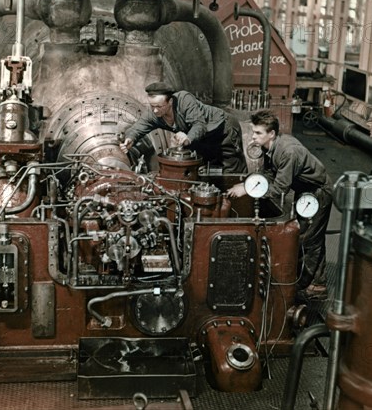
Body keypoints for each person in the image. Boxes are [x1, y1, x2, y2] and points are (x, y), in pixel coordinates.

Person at [227, 110, 332, 300]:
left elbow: (279, 189)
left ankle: (313, 286)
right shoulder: (270, 147)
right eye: (253, 132)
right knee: (310, 235)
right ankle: (316, 280)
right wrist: (247, 182)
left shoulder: (288, 151)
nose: (253, 136)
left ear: (272, 134)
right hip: (304, 190)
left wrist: (248, 190)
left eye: (258, 133)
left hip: (318, 192)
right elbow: (269, 175)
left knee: (309, 238)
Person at [120, 82, 248, 173]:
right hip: (200, 138)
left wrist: (187, 139)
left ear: (170, 102)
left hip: (223, 129)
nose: (154, 110)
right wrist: (130, 139)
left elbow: (199, 124)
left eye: (159, 106)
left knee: (230, 172)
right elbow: (137, 128)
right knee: (203, 171)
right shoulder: (153, 113)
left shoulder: (184, 99)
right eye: (152, 105)